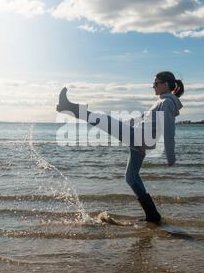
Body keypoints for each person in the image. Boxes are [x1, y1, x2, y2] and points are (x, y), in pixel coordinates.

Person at [56, 71, 184, 223]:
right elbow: (143, 118)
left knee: (102, 119)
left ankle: (68, 107)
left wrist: (171, 155)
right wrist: (124, 125)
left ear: (166, 85)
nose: (153, 87)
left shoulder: (167, 103)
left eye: (156, 84)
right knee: (131, 177)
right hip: (140, 140)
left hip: (139, 138)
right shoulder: (162, 101)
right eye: (153, 84)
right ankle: (153, 215)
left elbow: (169, 130)